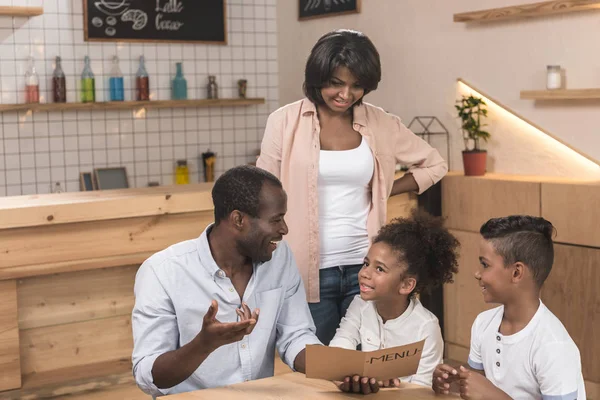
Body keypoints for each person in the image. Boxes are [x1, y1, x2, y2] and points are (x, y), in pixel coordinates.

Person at [256, 29, 448, 345]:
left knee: (367, 369)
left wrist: (384, 188)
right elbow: (262, 190)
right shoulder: (284, 121)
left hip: (368, 269)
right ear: (317, 76)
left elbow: (435, 164)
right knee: (319, 371)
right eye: (336, 82)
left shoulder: (381, 122)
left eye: (356, 85)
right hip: (307, 273)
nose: (346, 94)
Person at [131, 165, 321, 397]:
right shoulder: (162, 272)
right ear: (238, 220)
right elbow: (147, 376)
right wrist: (203, 345)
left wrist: (338, 370)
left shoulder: (280, 257)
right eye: (276, 219)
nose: (284, 229)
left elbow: (296, 335)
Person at [433, 215, 586, 400]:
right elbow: (476, 387)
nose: (477, 273)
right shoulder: (483, 324)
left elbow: (487, 394)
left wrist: (492, 396)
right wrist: (453, 382)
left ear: (516, 272)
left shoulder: (553, 346)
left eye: (485, 265)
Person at [330, 210, 459, 388]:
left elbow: (423, 390)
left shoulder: (426, 327)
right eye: (366, 264)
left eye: (380, 269)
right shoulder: (360, 305)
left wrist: (389, 387)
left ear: (406, 285)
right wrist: (351, 373)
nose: (364, 273)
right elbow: (340, 346)